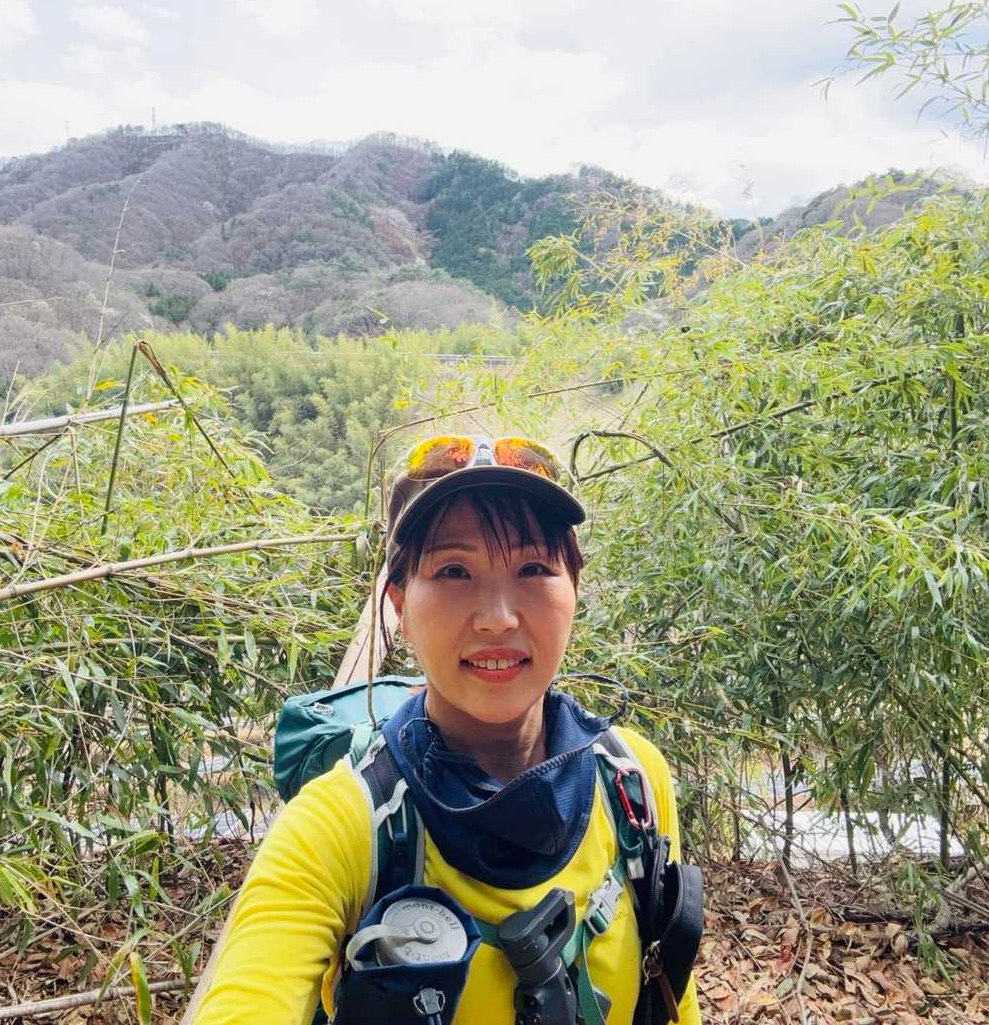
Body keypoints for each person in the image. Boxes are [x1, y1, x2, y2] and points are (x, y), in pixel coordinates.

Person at [189, 435, 701, 1025]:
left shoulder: (632, 781)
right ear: (399, 606)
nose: (497, 618)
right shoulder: (340, 827)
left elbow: (672, 996)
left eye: (533, 568)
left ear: (574, 591)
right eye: (454, 571)